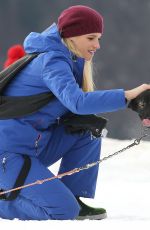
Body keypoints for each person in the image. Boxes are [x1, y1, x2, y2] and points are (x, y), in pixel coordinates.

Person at [0, 5, 149, 221]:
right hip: (7, 155)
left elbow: (75, 111)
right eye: (91, 38)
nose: (97, 45)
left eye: (98, 38)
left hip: (30, 147)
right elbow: (77, 102)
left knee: (87, 129)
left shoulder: (69, 60)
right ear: (72, 36)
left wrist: (134, 104)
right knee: (63, 211)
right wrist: (127, 96)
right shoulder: (52, 61)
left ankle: (73, 197)